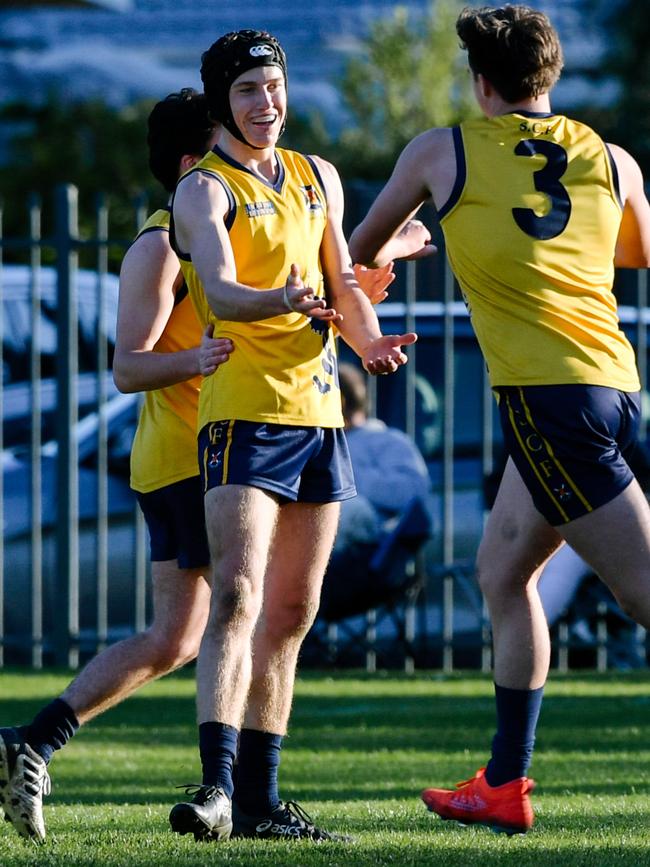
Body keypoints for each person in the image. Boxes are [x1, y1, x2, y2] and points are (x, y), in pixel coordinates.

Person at [350, 4, 650, 835]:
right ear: (549, 75)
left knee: (644, 591)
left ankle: (508, 780)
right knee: (501, 572)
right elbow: (635, 252)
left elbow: (362, 249)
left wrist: (414, 246)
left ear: (480, 83)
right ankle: (505, 782)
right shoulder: (612, 157)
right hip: (611, 385)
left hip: (549, 400)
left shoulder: (440, 152)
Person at [168, 28, 417, 844]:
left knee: (295, 607)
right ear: (220, 104)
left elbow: (343, 276)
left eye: (273, 87)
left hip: (318, 417)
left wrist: (368, 336)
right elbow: (223, 291)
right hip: (243, 412)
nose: (265, 104)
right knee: (236, 595)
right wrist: (283, 298)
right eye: (246, 91)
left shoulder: (318, 174)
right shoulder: (203, 189)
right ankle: (215, 788)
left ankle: (262, 803)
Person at [0, 89, 233, 844]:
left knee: (177, 637)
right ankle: (230, 788)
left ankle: (31, 740)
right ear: (196, 163)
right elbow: (126, 368)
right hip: (183, 458)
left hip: (215, 451)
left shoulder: (225, 236)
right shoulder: (163, 244)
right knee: (231, 616)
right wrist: (196, 358)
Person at [319, 362, 432, 620]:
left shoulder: (387, 441)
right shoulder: (322, 441)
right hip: (327, 545)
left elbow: (413, 493)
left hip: (361, 553)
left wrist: (348, 475)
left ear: (340, 401)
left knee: (348, 509)